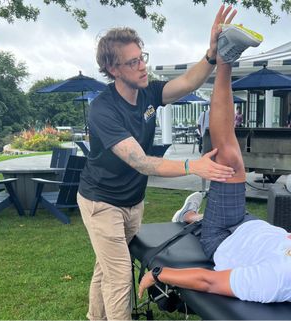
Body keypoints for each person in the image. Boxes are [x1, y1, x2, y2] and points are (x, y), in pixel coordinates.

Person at [138, 41, 291, 305]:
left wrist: (160, 274)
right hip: (251, 226)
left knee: (229, 157)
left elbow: (210, 281)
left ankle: (225, 61)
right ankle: (188, 216)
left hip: (221, 238)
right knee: (214, 204)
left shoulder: (277, 281)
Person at [77, 5, 238, 320]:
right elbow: (141, 162)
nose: (142, 66)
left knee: (107, 266)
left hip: (132, 202)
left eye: (142, 57)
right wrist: (193, 167)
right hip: (101, 202)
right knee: (120, 274)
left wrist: (210, 54)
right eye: (133, 62)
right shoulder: (103, 110)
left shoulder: (149, 92)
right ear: (113, 69)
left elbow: (189, 83)